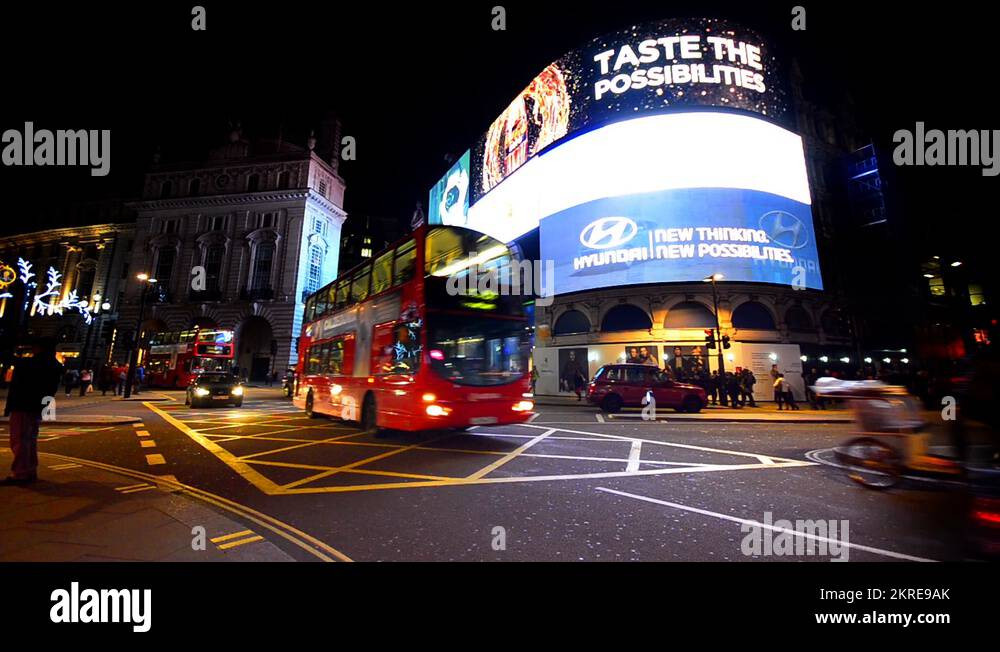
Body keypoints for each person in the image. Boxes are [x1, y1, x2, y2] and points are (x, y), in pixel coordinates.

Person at [3, 340, 63, 484]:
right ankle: (29, 470)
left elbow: (13, 361)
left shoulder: (36, 363)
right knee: (29, 439)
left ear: (39, 348)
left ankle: (21, 473)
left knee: (20, 439)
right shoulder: (53, 364)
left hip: (24, 403)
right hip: (38, 405)